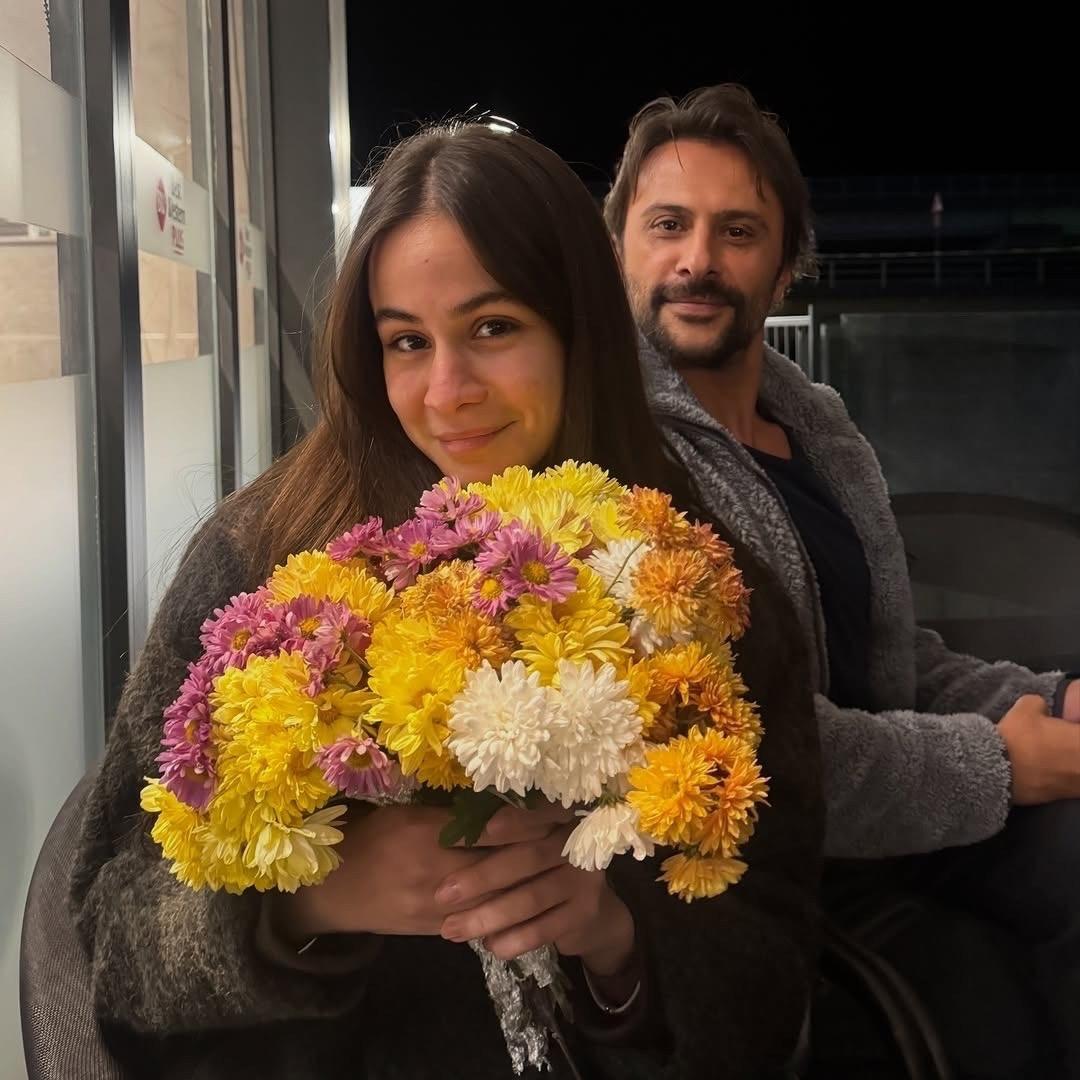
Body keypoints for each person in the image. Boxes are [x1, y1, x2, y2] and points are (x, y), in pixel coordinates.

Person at [70, 121, 823, 1080]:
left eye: (492, 328)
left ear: (580, 330)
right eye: (406, 341)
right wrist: (310, 902)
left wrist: (619, 942)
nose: (445, 390)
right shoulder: (263, 561)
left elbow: (776, 974)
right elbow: (109, 935)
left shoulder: (695, 588)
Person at [606, 82, 1080, 1078]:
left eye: (738, 231)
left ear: (786, 267)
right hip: (775, 867)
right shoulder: (618, 469)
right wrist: (999, 764)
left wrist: (1053, 699)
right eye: (668, 225)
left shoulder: (818, 431)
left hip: (912, 810)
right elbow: (747, 749)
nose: (698, 259)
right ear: (618, 252)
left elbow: (894, 664)